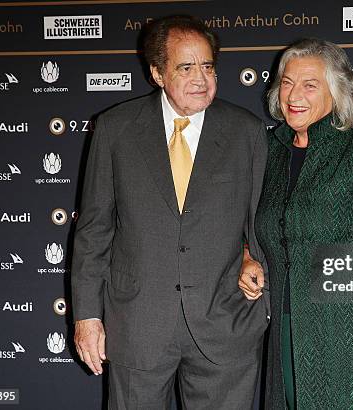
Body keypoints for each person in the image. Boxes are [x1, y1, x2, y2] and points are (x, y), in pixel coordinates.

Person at [71, 15, 269, 409]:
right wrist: (87, 317)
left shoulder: (247, 131)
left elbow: (261, 220)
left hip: (225, 321)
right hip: (138, 323)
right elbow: (94, 230)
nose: (201, 78)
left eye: (208, 66)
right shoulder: (116, 129)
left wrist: (252, 256)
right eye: (186, 67)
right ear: (158, 73)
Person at [239, 38, 353, 409]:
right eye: (287, 82)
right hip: (286, 335)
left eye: (310, 84)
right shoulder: (271, 152)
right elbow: (265, 228)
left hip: (352, 337)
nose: (294, 95)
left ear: (337, 92)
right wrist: (248, 256)